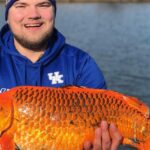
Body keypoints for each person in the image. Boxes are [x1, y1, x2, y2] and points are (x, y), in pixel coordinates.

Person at [0, 0, 122, 149]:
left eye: (43, 5)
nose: (33, 14)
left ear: (54, 11)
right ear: (7, 14)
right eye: (21, 5)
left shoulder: (81, 64)